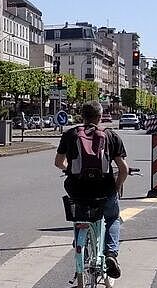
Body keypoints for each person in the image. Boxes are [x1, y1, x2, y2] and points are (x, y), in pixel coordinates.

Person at [54, 100, 130, 278]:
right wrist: (116, 187)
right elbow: (124, 169)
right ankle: (111, 255)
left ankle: (81, 243)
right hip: (104, 189)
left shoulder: (70, 134)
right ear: (100, 116)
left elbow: (58, 162)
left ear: (82, 116)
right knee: (112, 218)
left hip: (78, 189)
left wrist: (71, 170)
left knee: (80, 216)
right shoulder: (111, 136)